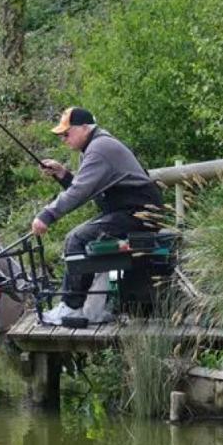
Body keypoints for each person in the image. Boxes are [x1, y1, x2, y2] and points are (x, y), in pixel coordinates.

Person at [31, 107, 162, 325]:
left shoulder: (99, 149)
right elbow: (87, 187)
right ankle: (90, 306)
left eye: (67, 133)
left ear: (84, 128)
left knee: (77, 239)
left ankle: (72, 307)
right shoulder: (96, 145)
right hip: (128, 211)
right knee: (82, 237)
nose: (64, 139)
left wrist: (46, 215)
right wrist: (62, 174)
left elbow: (79, 192)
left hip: (139, 214)